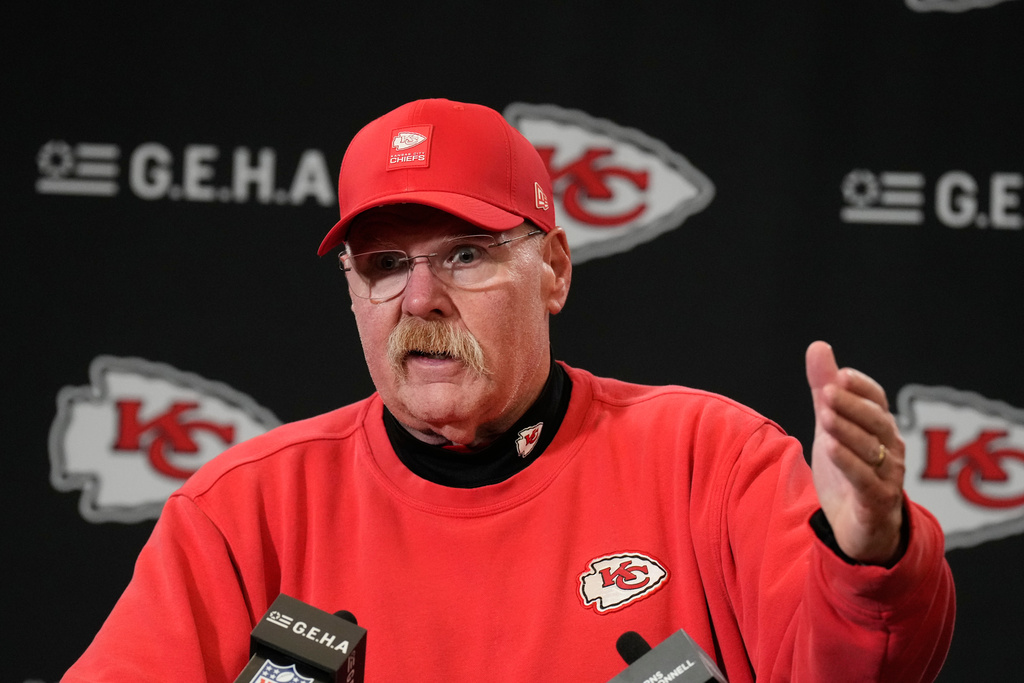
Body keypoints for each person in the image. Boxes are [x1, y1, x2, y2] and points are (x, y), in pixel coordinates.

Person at [62, 98, 954, 682]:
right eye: (383, 266)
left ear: (555, 269)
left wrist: (867, 556)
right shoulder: (244, 510)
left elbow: (856, 667)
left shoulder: (709, 460)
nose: (421, 299)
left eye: (464, 254)